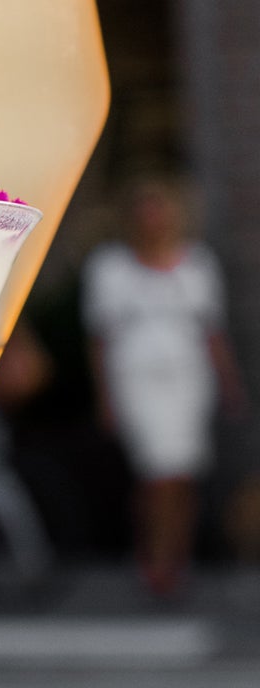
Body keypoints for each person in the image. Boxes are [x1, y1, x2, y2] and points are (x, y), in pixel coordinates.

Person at [83, 178, 247, 599]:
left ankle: (178, 556)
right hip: (137, 379)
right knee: (156, 473)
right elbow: (100, 339)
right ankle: (152, 556)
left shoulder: (197, 264)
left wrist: (230, 385)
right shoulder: (111, 267)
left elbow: (212, 332)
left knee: (184, 473)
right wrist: (104, 398)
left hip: (188, 379)